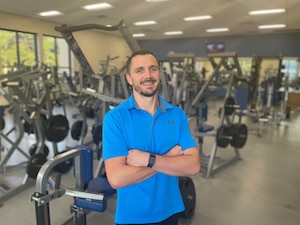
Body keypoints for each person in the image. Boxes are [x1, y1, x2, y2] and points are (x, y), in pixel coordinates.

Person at [102, 49, 200, 225]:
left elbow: (193, 166)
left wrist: (148, 159)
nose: (148, 75)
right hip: (131, 216)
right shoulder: (115, 118)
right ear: (129, 78)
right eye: (139, 70)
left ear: (160, 74)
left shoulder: (177, 115)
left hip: (170, 211)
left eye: (153, 69)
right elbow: (117, 178)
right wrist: (169, 158)